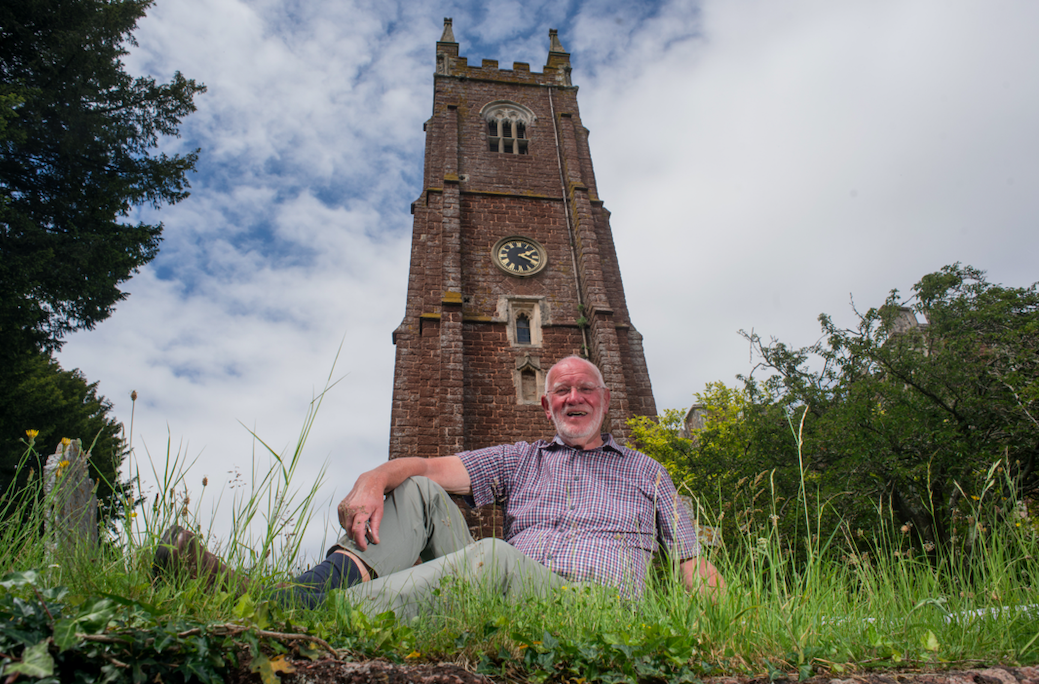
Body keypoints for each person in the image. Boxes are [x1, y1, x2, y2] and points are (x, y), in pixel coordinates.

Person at [154, 356, 724, 617]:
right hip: (502, 589)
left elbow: (691, 563)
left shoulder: (648, 473)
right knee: (416, 489)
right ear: (546, 403)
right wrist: (372, 480)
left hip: (594, 607)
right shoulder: (521, 459)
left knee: (495, 556)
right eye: (562, 391)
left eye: (586, 389)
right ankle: (306, 591)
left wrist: (714, 623)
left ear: (604, 400)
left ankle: (280, 610)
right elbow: (426, 466)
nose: (575, 398)